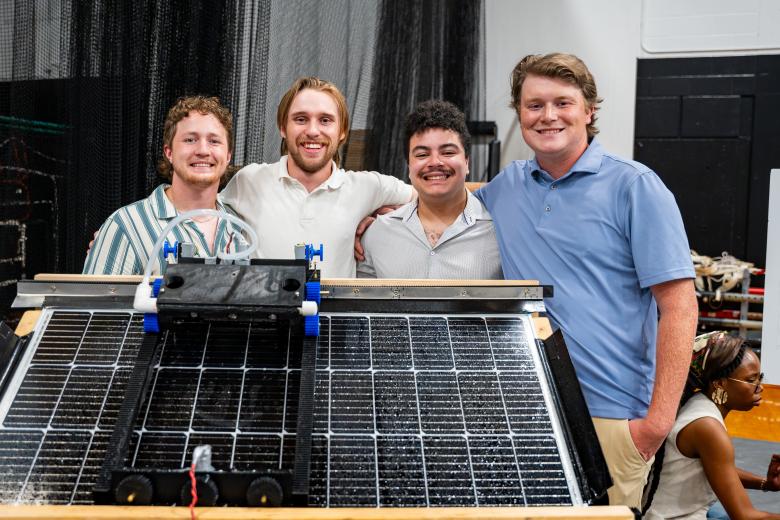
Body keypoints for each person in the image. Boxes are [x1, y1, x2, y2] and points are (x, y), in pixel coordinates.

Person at [475, 53, 699, 507]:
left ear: (588, 110)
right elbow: (446, 195)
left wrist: (656, 425)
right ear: (519, 112)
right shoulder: (508, 185)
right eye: (534, 105)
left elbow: (679, 307)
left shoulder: (635, 187)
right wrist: (377, 214)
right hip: (529, 410)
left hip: (613, 417)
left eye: (563, 102)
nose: (548, 115)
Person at [219, 76, 414, 278]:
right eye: (301, 119)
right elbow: (204, 214)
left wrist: (385, 220)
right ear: (283, 127)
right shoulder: (249, 181)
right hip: (265, 309)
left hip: (334, 310)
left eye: (325, 120)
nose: (313, 131)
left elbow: (435, 201)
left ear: (342, 131)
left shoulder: (367, 186)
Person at [84, 96, 245, 275]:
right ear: (169, 152)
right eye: (190, 140)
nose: (203, 151)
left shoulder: (240, 228)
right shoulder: (127, 227)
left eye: (214, 141)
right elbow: (94, 303)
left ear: (228, 155)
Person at [357, 100, 502, 279]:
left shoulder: (500, 232)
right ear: (409, 166)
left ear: (467, 162)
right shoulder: (377, 233)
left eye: (448, 152)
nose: (435, 162)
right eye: (422, 154)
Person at [644, 331, 780, 519]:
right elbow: (745, 516)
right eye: (751, 380)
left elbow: (716, 467)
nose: (760, 386)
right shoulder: (707, 427)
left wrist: (765, 483)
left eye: (760, 377)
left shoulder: (698, 403)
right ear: (719, 384)